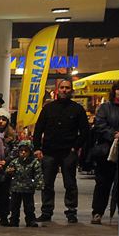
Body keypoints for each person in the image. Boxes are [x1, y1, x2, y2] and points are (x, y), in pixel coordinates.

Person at [33, 78, 89, 223]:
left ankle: (71, 212)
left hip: (68, 152)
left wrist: (75, 147)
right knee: (47, 183)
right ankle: (46, 211)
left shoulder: (77, 109)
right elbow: (38, 129)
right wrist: (37, 148)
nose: (64, 90)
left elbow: (85, 131)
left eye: (67, 88)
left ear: (71, 90)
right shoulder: (48, 108)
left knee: (70, 184)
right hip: (49, 152)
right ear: (57, 90)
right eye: (62, 87)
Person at [90, 81, 119, 224]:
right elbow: (99, 125)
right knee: (103, 183)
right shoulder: (105, 107)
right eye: (118, 89)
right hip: (106, 152)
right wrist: (114, 134)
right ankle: (98, 212)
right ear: (114, 91)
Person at [7, 140, 43, 227]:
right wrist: (9, 171)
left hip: (28, 188)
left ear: (30, 152)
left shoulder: (34, 162)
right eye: (21, 150)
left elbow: (38, 174)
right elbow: (8, 170)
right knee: (14, 206)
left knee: (29, 206)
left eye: (26, 151)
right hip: (16, 188)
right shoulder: (15, 162)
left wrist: (39, 184)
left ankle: (30, 220)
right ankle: (14, 220)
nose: (23, 152)